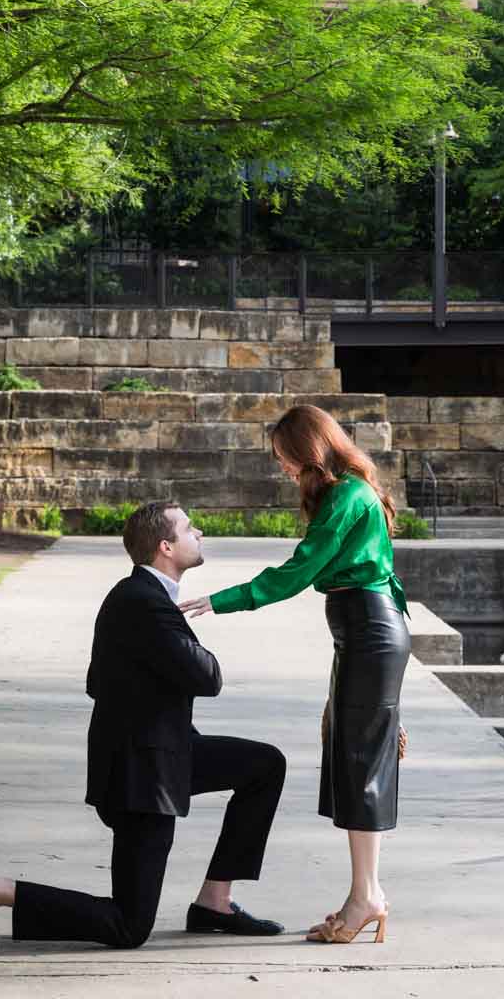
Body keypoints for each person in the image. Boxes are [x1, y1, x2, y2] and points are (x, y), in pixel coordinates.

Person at [0, 500, 286, 952]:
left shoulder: (138, 598)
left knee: (263, 765)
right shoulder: (145, 603)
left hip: (164, 753)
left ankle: (215, 901)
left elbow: (100, 681)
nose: (199, 533)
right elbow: (208, 676)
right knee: (130, 926)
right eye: (190, 528)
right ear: (165, 546)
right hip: (141, 778)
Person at [184, 404, 409, 947]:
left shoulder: (348, 495)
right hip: (362, 632)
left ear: (310, 451)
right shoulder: (349, 493)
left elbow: (297, 571)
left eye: (285, 457)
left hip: (369, 631)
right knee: (351, 754)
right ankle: (365, 893)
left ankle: (367, 896)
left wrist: (221, 601)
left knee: (361, 761)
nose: (282, 467)